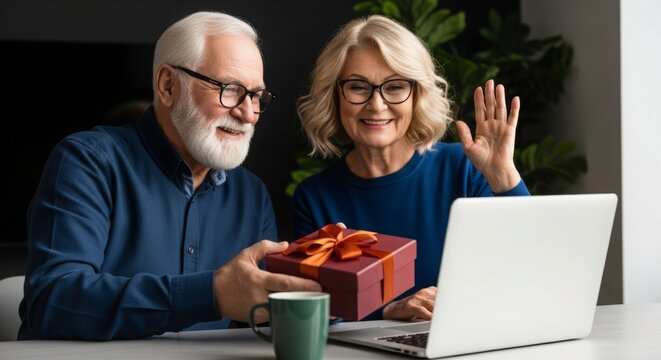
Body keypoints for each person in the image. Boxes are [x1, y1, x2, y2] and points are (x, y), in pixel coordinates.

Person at [18, 11, 321, 341]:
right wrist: (212, 294)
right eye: (230, 89)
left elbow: (264, 311)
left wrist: (332, 293)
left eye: (256, 96)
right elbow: (52, 301)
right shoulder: (88, 162)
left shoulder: (251, 194)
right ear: (167, 86)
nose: (248, 113)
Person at [293, 15, 529, 321]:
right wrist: (390, 311)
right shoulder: (315, 197)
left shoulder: (463, 168)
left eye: (395, 87)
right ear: (334, 96)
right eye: (357, 87)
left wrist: (503, 177)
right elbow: (319, 313)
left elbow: (529, 266)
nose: (376, 105)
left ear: (416, 95)